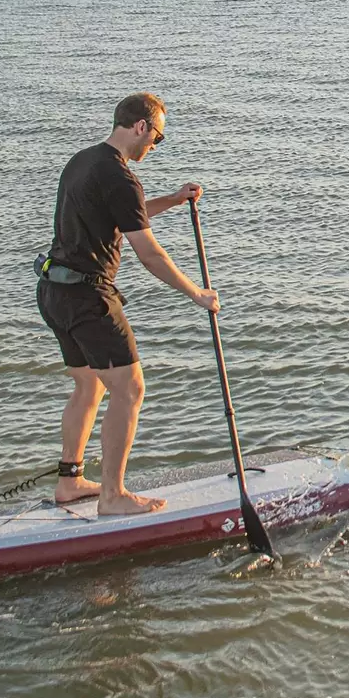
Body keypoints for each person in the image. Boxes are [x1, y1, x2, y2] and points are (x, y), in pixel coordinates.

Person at [37, 92, 220, 516]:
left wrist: (174, 199)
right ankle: (113, 495)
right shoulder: (119, 176)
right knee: (130, 389)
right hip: (89, 297)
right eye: (156, 137)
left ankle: (71, 482)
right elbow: (149, 253)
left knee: (90, 385)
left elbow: (125, 214)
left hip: (54, 292)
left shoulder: (83, 161)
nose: (154, 146)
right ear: (141, 126)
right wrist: (197, 294)